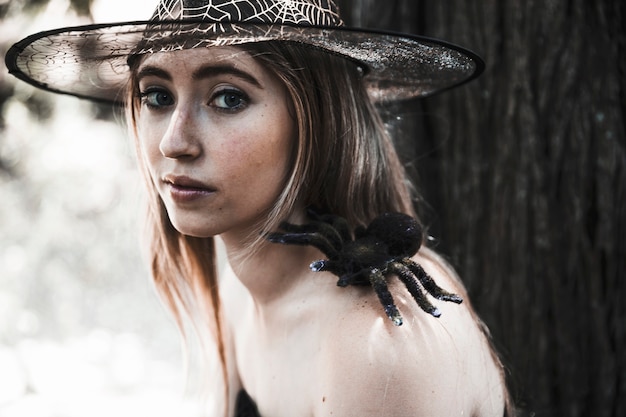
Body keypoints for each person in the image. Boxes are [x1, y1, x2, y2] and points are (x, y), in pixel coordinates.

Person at [6, 1, 514, 416]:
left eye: (228, 98)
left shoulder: (380, 346)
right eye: (157, 96)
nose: (174, 142)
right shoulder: (237, 289)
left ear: (318, 122)